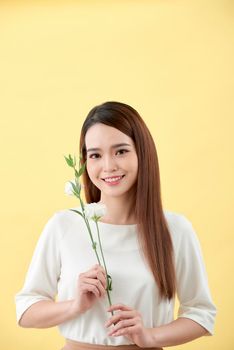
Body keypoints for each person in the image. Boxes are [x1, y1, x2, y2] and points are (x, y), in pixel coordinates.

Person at [15, 101, 217, 350]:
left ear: (142, 153)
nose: (108, 166)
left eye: (120, 151)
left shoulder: (175, 229)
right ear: (85, 162)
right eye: (95, 155)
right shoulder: (64, 225)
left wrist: (150, 336)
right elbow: (26, 310)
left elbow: (201, 313)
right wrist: (75, 305)